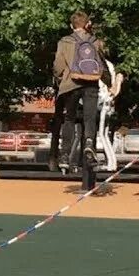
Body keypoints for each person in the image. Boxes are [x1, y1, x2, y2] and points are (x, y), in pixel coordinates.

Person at [51, 12, 109, 174]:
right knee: (90, 117)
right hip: (91, 83)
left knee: (69, 118)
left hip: (71, 83)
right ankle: (89, 144)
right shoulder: (95, 41)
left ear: (71, 25)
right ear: (86, 24)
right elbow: (103, 63)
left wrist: (61, 78)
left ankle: (64, 156)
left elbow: (58, 65)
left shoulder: (64, 42)